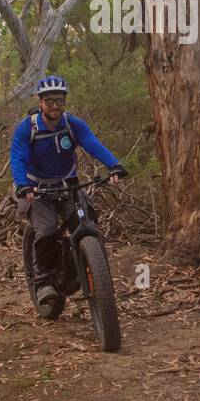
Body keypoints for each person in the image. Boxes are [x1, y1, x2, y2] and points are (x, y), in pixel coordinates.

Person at [9, 75, 127, 311]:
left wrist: (114, 165)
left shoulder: (73, 124)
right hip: (36, 188)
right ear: (40, 102)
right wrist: (22, 184)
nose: (55, 105)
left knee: (87, 223)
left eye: (59, 100)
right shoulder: (27, 128)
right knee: (46, 230)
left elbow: (92, 143)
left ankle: (79, 272)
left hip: (67, 184)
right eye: (50, 100)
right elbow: (18, 157)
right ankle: (44, 283)